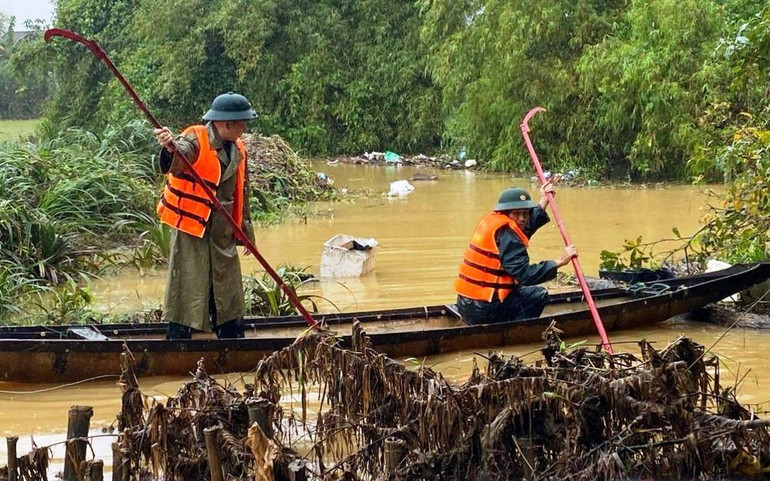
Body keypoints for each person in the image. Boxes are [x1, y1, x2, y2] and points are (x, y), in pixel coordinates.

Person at [154, 92, 257, 340]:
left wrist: (246, 233)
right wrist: (170, 147)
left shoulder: (238, 149)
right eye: (241, 122)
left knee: (228, 291)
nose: (244, 127)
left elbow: (241, 193)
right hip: (193, 230)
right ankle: (179, 342)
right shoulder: (196, 138)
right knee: (187, 286)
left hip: (222, 232)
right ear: (226, 123)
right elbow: (180, 153)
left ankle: (231, 338)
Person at [454, 182, 578, 325]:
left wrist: (544, 200)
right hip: (483, 309)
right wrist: (559, 262)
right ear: (506, 213)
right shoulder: (507, 234)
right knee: (538, 295)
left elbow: (524, 229)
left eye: (525, 213)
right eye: (516, 213)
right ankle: (516, 330)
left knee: (519, 289)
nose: (522, 218)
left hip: (466, 304)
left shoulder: (493, 221)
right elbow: (525, 275)